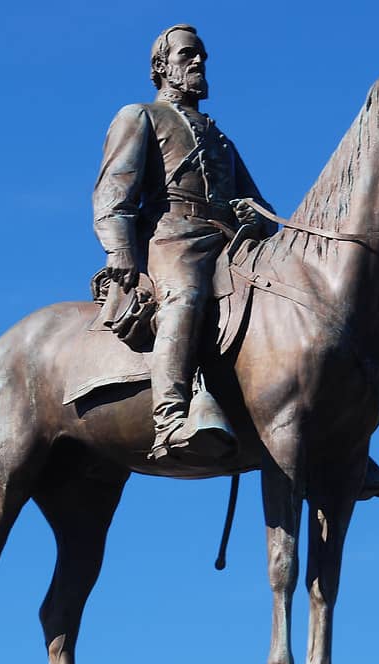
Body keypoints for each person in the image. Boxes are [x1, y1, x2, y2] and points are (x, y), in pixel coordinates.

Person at [92, 24, 276, 461]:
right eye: (187, 55)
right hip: (173, 238)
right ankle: (171, 419)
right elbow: (114, 192)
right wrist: (119, 250)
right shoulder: (140, 116)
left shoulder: (220, 137)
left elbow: (260, 203)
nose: (198, 63)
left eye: (202, 57)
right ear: (161, 67)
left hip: (230, 242)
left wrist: (257, 217)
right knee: (186, 298)